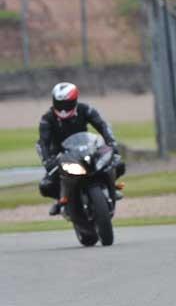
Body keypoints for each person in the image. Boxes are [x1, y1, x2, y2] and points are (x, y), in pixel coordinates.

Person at [37, 82, 124, 216]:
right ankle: (61, 200)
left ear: (75, 100)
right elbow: (44, 142)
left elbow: (102, 125)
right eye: (60, 103)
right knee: (46, 186)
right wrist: (47, 161)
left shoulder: (86, 109)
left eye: (67, 103)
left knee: (118, 164)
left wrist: (111, 143)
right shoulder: (47, 119)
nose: (63, 108)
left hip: (86, 147)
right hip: (60, 154)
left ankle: (110, 187)